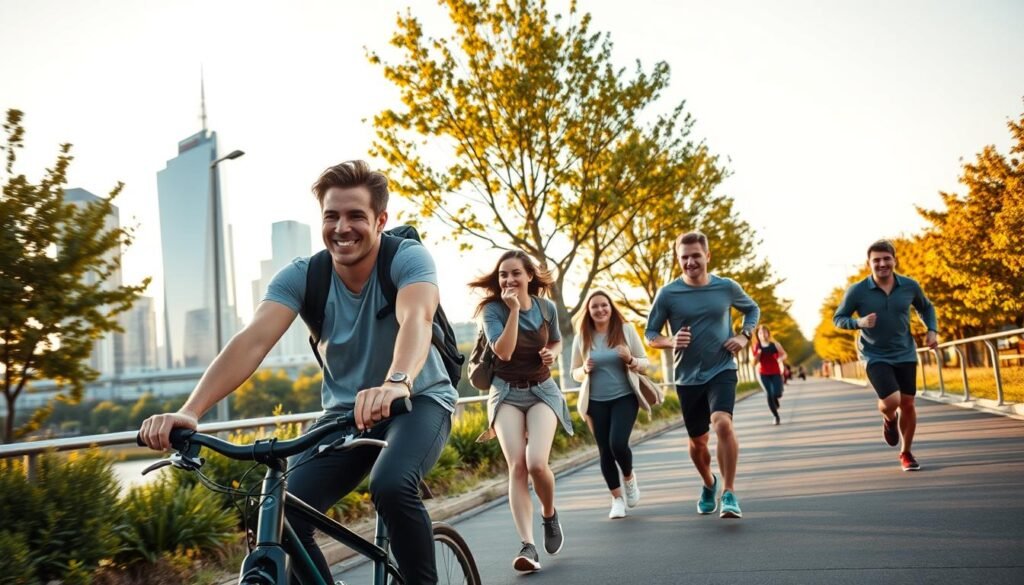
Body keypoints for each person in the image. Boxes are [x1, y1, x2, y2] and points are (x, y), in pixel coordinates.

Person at [139, 160, 458, 585]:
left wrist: (396, 382)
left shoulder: (408, 258)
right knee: (280, 507)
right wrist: (191, 411)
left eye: (356, 216)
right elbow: (252, 341)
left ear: (380, 220)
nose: (342, 228)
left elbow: (416, 318)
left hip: (416, 401)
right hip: (344, 415)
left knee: (392, 484)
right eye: (332, 216)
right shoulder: (304, 276)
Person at [469, 250, 572, 573]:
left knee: (537, 464)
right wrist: (512, 311)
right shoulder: (492, 310)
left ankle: (549, 515)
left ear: (529, 276)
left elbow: (556, 341)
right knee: (517, 466)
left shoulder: (547, 308)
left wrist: (551, 354)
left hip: (542, 390)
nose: (509, 280)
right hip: (507, 392)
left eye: (515, 273)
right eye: (503, 275)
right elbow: (503, 350)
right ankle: (528, 545)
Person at [646, 231, 760, 519]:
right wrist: (670, 341)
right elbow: (651, 334)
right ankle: (709, 483)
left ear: (707, 256)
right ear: (678, 259)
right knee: (698, 443)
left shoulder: (726, 287)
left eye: (696, 255)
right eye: (684, 257)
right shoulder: (668, 293)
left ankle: (730, 493)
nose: (690, 262)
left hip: (722, 367)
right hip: (687, 378)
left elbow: (752, 309)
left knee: (723, 424)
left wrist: (745, 336)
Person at [833, 239, 938, 472]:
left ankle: (906, 452)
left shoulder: (909, 286)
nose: (882, 264)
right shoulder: (857, 290)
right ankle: (889, 418)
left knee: (908, 403)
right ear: (868, 263)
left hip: (905, 352)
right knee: (892, 401)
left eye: (886, 259)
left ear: (894, 260)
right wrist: (858, 322)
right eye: (876, 260)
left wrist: (932, 330)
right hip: (874, 353)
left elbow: (926, 307)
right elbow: (838, 318)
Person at [571, 291, 660, 519]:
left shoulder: (626, 330)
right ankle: (617, 499)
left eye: (604, 305)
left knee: (617, 444)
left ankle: (629, 479)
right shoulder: (583, 336)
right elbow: (575, 372)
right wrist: (584, 370)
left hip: (624, 397)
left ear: (611, 307)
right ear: (589, 312)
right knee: (605, 452)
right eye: (595, 307)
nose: (600, 310)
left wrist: (630, 360)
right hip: (595, 402)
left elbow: (645, 362)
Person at [751, 325, 787, 425]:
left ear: (768, 333)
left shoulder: (775, 345)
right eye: (760, 333)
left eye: (765, 332)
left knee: (777, 393)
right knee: (769, 394)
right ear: (758, 335)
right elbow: (753, 363)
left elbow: (784, 354)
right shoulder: (756, 347)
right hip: (763, 373)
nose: (763, 334)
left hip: (775, 372)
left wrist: (780, 358)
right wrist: (758, 355)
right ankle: (776, 416)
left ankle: (775, 399)